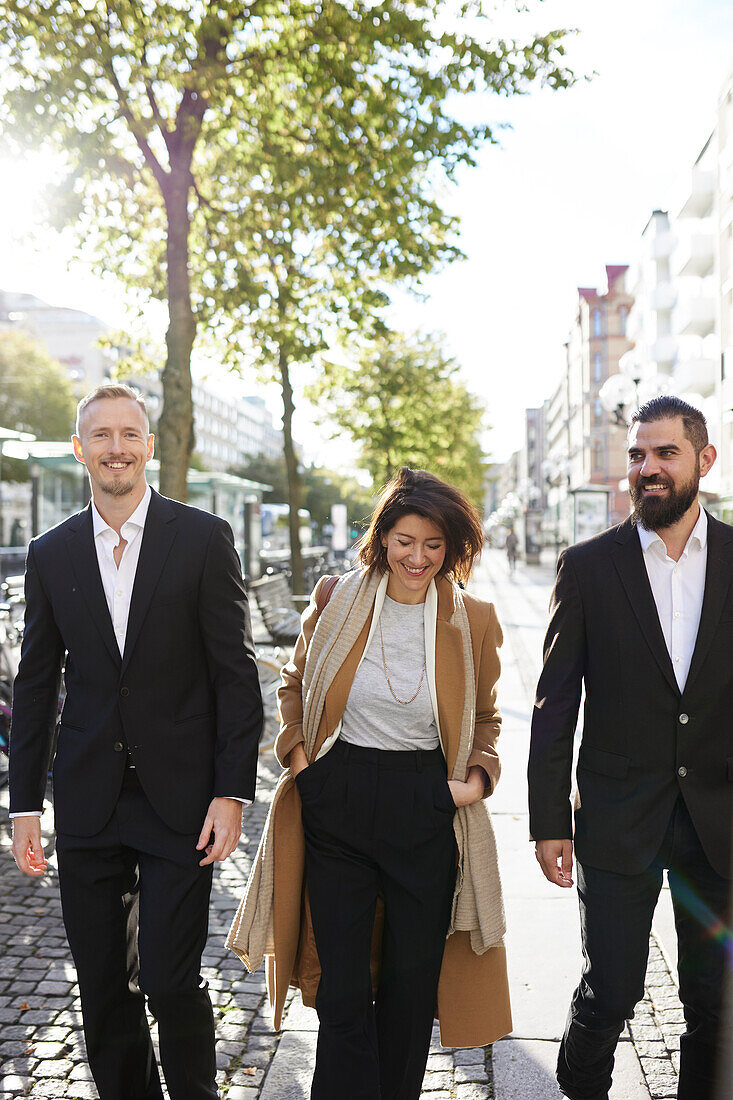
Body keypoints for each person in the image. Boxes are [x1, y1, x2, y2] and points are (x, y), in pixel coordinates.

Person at [9, 383, 263, 1100]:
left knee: (170, 978)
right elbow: (34, 684)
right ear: (80, 448)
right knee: (102, 984)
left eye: (129, 434)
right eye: (101, 435)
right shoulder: (51, 553)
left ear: (149, 446)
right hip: (88, 798)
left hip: (181, 798)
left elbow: (235, 675)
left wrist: (231, 791)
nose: (115, 447)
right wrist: (25, 805)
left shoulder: (202, 537)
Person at [227, 466, 512, 1100]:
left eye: (434, 545)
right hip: (341, 794)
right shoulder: (337, 598)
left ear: (453, 549)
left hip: (425, 801)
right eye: (405, 540)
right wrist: (305, 767)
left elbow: (485, 718)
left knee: (411, 988)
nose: (418, 557)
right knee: (343, 988)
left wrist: (470, 784)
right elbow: (295, 687)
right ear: (382, 538)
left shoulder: (472, 618)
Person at [528, 395, 732, 1100]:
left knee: (717, 1008)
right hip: (617, 818)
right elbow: (554, 703)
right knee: (608, 992)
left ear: (703, 460)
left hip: (719, 822)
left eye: (663, 453)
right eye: (636, 455)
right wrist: (548, 819)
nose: (646, 468)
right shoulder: (587, 566)